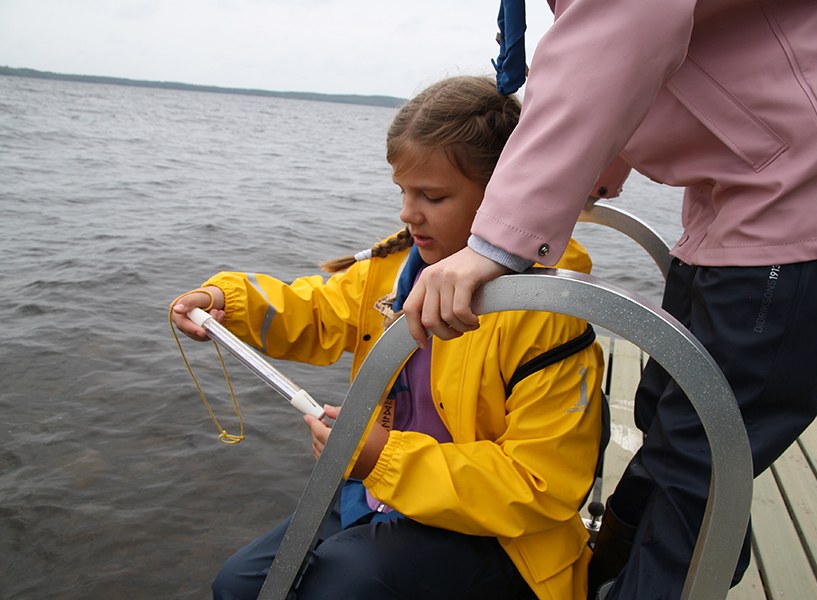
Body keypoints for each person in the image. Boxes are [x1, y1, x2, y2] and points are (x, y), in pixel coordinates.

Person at [402, 2, 817, 598]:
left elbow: (623, 25)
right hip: (750, 191)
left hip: (802, 198)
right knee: (669, 419)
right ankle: (610, 575)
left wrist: (498, 241)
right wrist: (609, 151)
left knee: (700, 462)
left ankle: (668, 577)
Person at [169, 75, 605, 600]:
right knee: (240, 584)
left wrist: (380, 458)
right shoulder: (395, 271)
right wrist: (225, 302)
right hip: (380, 495)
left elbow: (542, 486)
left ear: (505, 194)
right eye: (403, 191)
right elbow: (314, 309)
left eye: (433, 196)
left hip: (502, 539)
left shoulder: (544, 308)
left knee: (340, 586)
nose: (407, 212)